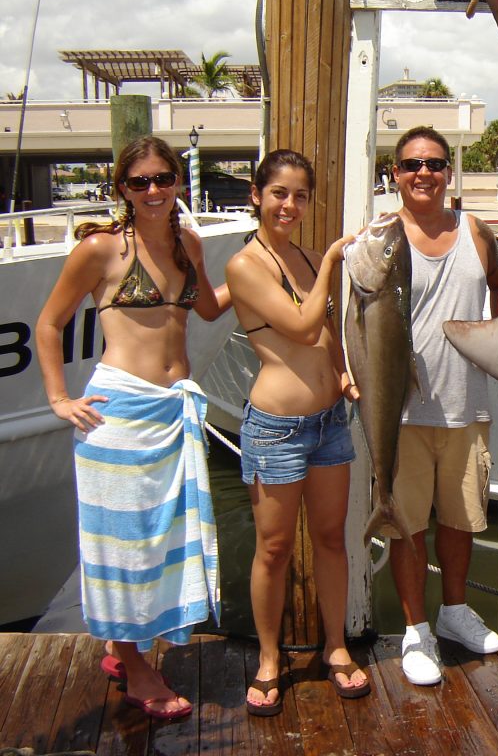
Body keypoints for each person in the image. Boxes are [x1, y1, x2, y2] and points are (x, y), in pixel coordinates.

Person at [36, 135, 232, 720]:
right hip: (118, 414)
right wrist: (57, 398)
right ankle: (135, 662)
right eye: (139, 182)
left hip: (172, 411)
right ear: (121, 188)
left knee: (163, 542)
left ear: (178, 182)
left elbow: (207, 310)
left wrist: (264, 276)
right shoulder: (101, 251)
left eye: (162, 179)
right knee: (121, 547)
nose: (152, 191)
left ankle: (130, 650)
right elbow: (49, 326)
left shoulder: (188, 244)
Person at [225, 150, 368, 713]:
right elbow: (303, 324)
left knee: (332, 540)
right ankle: (268, 657)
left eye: (301, 195)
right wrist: (336, 255)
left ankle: (335, 647)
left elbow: (327, 332)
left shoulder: (308, 259)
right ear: (257, 195)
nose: (290, 204)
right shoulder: (246, 266)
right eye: (279, 192)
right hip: (276, 429)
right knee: (275, 548)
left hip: (332, 421)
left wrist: (343, 371)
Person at [383, 126, 498, 686]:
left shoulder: (475, 231)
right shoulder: (381, 239)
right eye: (412, 164)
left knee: (460, 520)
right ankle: (416, 628)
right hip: (401, 413)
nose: (424, 174)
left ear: (448, 174)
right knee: (408, 524)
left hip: (468, 406)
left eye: (435, 165)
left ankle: (454, 612)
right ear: (395, 174)